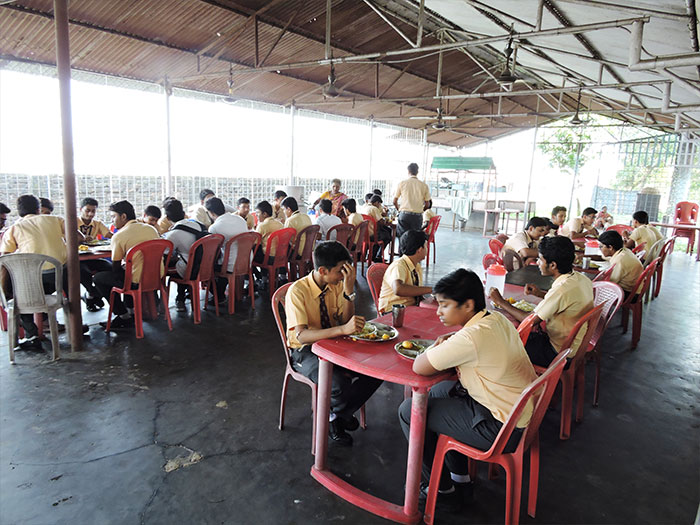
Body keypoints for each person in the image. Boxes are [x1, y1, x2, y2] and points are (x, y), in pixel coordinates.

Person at [398, 269, 536, 508]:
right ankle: (459, 478)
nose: (438, 311)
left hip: (501, 429)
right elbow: (474, 342)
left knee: (409, 411)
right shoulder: (496, 319)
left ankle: (440, 488)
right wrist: (454, 339)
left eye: (445, 305)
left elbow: (420, 366)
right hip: (513, 412)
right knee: (440, 392)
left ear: (468, 305)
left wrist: (438, 346)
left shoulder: (471, 338)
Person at [286, 241, 382, 446]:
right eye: (340, 272)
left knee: (375, 371)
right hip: (304, 350)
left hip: (332, 343)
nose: (343, 276)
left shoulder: (336, 285)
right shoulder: (297, 291)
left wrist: (348, 290)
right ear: (323, 270)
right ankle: (332, 418)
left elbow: (345, 320)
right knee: (337, 383)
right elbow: (301, 336)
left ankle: (337, 414)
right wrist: (342, 330)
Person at [489, 236, 594, 367]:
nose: (537, 263)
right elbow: (565, 300)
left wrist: (501, 301)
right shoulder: (580, 279)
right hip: (573, 346)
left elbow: (528, 320)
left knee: (502, 342)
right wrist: (539, 294)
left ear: (553, 265)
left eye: (540, 259)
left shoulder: (561, 289)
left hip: (557, 353)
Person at [0, 195, 86, 350]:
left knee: (19, 295)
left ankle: (32, 335)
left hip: (33, 283)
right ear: (39, 209)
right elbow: (79, 238)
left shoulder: (13, 228)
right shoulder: (56, 220)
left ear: (19, 211)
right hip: (60, 278)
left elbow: (5, 260)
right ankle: (76, 326)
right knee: (70, 279)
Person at [93, 200, 161, 329]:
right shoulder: (151, 229)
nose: (112, 221)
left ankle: (123, 315)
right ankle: (130, 309)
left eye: (113, 216)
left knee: (99, 278)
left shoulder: (119, 236)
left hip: (136, 281)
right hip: (156, 277)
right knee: (127, 272)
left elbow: (116, 268)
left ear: (123, 216)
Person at [162, 198, 207, 312]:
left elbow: (165, 255)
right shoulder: (198, 225)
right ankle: (181, 297)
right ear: (183, 213)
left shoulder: (173, 234)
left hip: (190, 271)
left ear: (167, 218)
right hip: (206, 268)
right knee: (183, 261)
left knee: (167, 266)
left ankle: (165, 303)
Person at [377, 230, 433, 314]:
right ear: (420, 249)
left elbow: (416, 293)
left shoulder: (416, 266)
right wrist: (431, 290)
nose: (427, 249)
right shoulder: (399, 266)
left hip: (409, 308)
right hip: (392, 311)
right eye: (426, 246)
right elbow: (398, 289)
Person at [206, 197, 247, 304]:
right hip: (247, 262)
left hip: (230, 265)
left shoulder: (214, 227)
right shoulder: (240, 220)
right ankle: (222, 293)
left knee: (207, 266)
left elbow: (212, 250)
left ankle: (218, 295)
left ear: (211, 213)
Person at [77, 198, 114, 312]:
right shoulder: (71, 223)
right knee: (83, 272)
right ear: (80, 209)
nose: (90, 214)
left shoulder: (97, 224)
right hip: (77, 259)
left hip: (92, 257)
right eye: (87, 210)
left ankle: (91, 296)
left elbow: (109, 235)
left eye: (93, 211)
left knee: (110, 267)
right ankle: (94, 293)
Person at [393, 162, 431, 249]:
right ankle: (413, 256)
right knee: (415, 239)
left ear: (408, 171)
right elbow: (427, 203)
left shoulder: (402, 183)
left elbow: (394, 201)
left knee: (402, 238)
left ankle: (402, 255)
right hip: (417, 216)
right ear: (417, 172)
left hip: (404, 215)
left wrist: (399, 210)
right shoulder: (424, 185)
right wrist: (421, 210)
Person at [598, 230, 643, 298]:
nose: (600, 249)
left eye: (601, 246)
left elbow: (610, 282)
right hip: (634, 289)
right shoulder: (624, 251)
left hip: (628, 294)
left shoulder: (620, 260)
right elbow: (604, 257)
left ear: (610, 247)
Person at [367, 195, 392, 261]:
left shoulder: (364, 206)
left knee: (385, 232)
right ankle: (378, 256)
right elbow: (381, 222)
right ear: (376, 202)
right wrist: (385, 220)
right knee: (387, 236)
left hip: (364, 234)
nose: (379, 205)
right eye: (379, 204)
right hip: (372, 234)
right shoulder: (374, 208)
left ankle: (373, 255)